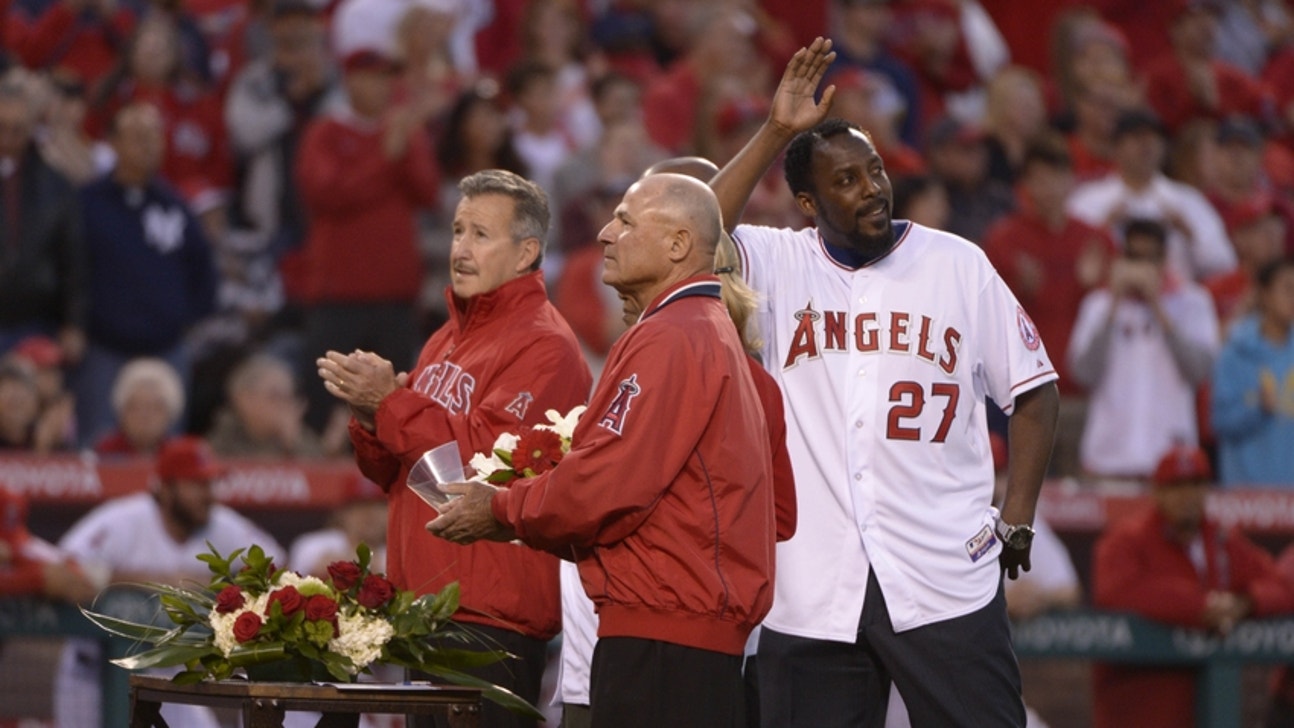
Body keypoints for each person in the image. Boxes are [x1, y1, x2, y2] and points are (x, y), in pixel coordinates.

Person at [706, 38, 1060, 727]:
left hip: (940, 571)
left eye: (873, 171)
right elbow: (689, 230)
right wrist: (777, 130)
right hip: (812, 582)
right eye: (845, 181)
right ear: (806, 201)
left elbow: (1036, 392)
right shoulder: (776, 260)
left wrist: (1017, 516)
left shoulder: (956, 264)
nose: (870, 188)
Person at [427, 171, 777, 728]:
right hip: (691, 631)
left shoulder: (671, 336)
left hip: (662, 635)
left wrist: (500, 508)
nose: (606, 234)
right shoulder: (711, 334)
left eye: (626, 221)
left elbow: (607, 483)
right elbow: (777, 513)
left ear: (679, 244)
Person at [316, 168, 591, 728]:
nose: (460, 249)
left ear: (526, 253)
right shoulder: (447, 337)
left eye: (480, 235)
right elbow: (393, 471)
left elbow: (483, 463)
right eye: (457, 231)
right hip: (430, 610)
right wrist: (368, 413)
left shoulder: (546, 345)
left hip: (492, 619)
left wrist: (389, 405)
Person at [55, 435, 284, 728]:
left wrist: (215, 583)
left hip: (165, 677)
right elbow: (64, 568)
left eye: (210, 483)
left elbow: (277, 566)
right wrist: (148, 581)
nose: (208, 494)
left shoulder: (220, 523)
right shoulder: (124, 520)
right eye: (196, 484)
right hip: (92, 676)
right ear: (164, 488)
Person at [1090, 444, 1294, 728]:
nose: (1188, 496)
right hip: (1139, 707)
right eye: (1177, 486)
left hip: (1204, 710)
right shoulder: (1128, 539)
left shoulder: (1220, 540)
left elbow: (1282, 587)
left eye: (1196, 484)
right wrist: (1202, 607)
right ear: (1158, 492)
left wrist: (1246, 603)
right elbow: (1115, 590)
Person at [294, 41, 440, 434]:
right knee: (325, 397)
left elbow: (428, 192)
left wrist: (403, 145)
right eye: (373, 78)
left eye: (387, 79)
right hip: (338, 294)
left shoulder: (403, 132)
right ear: (350, 81)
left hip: (394, 294)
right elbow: (327, 194)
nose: (382, 87)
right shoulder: (325, 132)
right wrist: (385, 155)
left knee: (390, 401)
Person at [73, 101, 219, 447]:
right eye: (137, 136)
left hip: (166, 348)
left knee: (168, 449)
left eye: (155, 136)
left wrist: (183, 319)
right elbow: (70, 270)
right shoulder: (87, 203)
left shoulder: (174, 204)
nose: (148, 144)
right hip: (103, 348)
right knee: (99, 445)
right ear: (113, 143)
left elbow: (203, 268)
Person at [982, 134, 1117, 476]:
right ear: (1025, 184)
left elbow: (1111, 313)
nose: (1048, 187)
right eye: (1038, 178)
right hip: (1022, 395)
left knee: (1084, 498)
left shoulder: (1096, 239)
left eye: (1056, 176)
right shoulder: (1004, 239)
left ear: (1071, 180)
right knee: (1026, 495)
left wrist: (1090, 289)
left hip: (1084, 394)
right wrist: (1019, 289)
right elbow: (985, 315)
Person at [1068, 219, 1220, 481]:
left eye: (1151, 258)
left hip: (1171, 460)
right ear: (1121, 258)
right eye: (1135, 257)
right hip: (1108, 460)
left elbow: (1199, 372)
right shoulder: (1098, 305)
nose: (1142, 266)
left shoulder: (1193, 302)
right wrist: (1114, 303)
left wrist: (1158, 307)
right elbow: (1083, 375)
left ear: (1164, 260)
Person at [1066, 107, 1236, 283]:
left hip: (1175, 303)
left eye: (1154, 138)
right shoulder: (1088, 199)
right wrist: (1102, 229)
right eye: (1137, 137)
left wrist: (1188, 233)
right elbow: (1066, 263)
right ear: (1116, 147)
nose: (1147, 145)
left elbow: (1223, 264)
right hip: (1109, 303)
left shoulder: (1187, 199)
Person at [0, 72, 87, 360]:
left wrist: (74, 323)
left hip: (37, 322)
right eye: (2, 128)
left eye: (17, 129)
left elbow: (73, 258)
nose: (8, 138)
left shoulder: (54, 184)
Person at [1211, 256, 1294, 487]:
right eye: (1287, 288)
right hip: (1246, 493)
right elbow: (1220, 422)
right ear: (1265, 295)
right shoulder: (1234, 353)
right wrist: (1257, 408)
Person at [206, 351, 325, 459]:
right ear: (245, 399)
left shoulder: (297, 435)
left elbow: (322, 473)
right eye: (276, 396)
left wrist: (294, 442)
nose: (285, 405)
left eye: (289, 397)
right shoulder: (224, 438)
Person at [93, 357, 185, 457]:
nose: (144, 416)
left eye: (154, 408)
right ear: (122, 412)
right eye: (136, 407)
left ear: (169, 414)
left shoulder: (178, 455)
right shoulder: (103, 451)